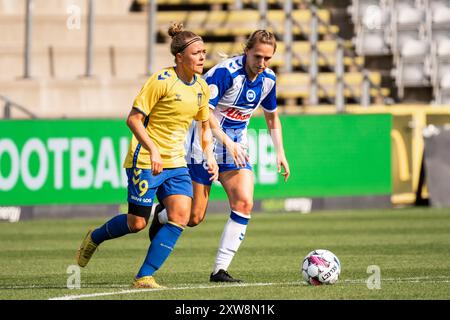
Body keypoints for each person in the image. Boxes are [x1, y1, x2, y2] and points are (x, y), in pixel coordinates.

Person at [75, 23, 218, 289]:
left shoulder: (201, 86)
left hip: (176, 163)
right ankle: (94, 237)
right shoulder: (161, 81)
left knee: (181, 216)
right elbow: (134, 119)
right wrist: (152, 149)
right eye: (196, 53)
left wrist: (209, 155)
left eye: (204, 52)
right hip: (145, 160)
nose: (202, 57)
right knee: (137, 223)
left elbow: (204, 126)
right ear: (179, 57)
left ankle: (144, 276)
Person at [149, 30, 290, 283]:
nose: (262, 63)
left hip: (234, 150)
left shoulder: (268, 79)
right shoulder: (225, 74)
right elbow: (204, 115)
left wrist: (280, 151)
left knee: (244, 203)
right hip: (203, 147)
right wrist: (226, 142)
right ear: (247, 51)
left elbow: (271, 116)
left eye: (267, 58)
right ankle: (163, 213)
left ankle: (219, 270)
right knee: (193, 218)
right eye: (257, 56)